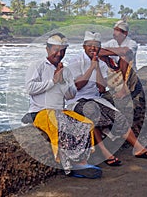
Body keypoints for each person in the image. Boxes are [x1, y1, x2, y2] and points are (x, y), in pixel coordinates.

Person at [66, 31, 147, 167]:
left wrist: (97, 69)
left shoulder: (101, 64)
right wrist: (91, 68)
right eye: (90, 45)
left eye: (96, 45)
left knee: (118, 117)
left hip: (95, 98)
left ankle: (138, 147)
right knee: (91, 112)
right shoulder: (74, 62)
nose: (93, 48)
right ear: (83, 46)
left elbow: (102, 89)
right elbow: (77, 86)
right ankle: (105, 152)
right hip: (77, 100)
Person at [25, 33, 102, 179]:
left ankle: (82, 162)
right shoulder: (37, 66)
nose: (59, 54)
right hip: (41, 111)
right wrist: (53, 81)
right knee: (62, 124)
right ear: (48, 49)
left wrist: (62, 82)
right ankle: (71, 166)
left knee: (86, 123)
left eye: (62, 51)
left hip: (59, 110)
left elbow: (71, 95)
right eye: (56, 50)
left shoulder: (65, 70)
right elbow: (30, 88)